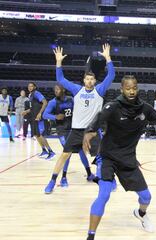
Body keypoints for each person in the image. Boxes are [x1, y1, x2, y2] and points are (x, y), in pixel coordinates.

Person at [82, 76, 156, 240]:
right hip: (107, 157)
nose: (131, 91)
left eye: (134, 87)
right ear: (122, 89)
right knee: (104, 194)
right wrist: (90, 130)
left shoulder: (145, 109)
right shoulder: (113, 106)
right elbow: (100, 117)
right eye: (128, 88)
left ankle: (141, 214)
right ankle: (90, 236)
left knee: (146, 197)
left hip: (128, 159)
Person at [44, 44, 114, 194]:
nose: (89, 81)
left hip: (92, 132)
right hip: (76, 131)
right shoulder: (77, 90)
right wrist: (58, 62)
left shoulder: (100, 90)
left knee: (102, 158)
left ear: (95, 81)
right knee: (64, 155)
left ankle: (106, 181)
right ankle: (52, 181)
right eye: (87, 79)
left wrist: (108, 58)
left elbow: (111, 76)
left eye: (92, 79)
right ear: (84, 80)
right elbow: (60, 79)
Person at [43, 84, 93, 188]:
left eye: (57, 89)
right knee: (68, 152)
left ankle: (89, 174)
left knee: (81, 151)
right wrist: (55, 116)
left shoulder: (71, 99)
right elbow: (45, 115)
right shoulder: (53, 102)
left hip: (74, 129)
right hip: (62, 131)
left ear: (63, 89)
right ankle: (63, 178)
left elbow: (79, 109)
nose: (56, 91)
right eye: (55, 89)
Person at [21, 82, 55, 159]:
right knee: (36, 135)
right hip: (34, 118)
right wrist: (26, 111)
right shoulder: (30, 96)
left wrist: (40, 113)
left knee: (41, 135)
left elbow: (45, 102)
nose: (30, 87)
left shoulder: (36, 93)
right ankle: (44, 150)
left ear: (35, 87)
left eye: (31, 86)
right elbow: (32, 108)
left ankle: (51, 152)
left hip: (39, 118)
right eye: (29, 86)